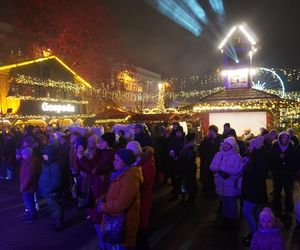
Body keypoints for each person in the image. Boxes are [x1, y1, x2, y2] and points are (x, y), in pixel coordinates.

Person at [97, 149, 143, 249]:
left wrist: (103, 206)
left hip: (123, 225)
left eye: (117, 160)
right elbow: (115, 192)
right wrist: (103, 198)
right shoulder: (121, 174)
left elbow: (122, 203)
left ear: (125, 162)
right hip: (117, 221)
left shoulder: (130, 178)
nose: (114, 162)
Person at [126, 141, 156, 250]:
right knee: (138, 232)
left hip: (143, 199)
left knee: (141, 231)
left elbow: (145, 184)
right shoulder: (141, 162)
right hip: (140, 198)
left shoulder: (147, 164)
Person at [241, 136, 271, 246]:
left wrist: (245, 171)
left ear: (256, 147)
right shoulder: (257, 156)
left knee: (247, 211)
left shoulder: (259, 159)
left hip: (253, 190)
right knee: (255, 212)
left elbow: (256, 176)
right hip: (254, 189)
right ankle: (258, 233)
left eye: (251, 145)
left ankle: (256, 235)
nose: (248, 147)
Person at [210, 137, 242, 227]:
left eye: (229, 144)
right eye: (225, 143)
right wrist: (219, 168)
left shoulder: (236, 156)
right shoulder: (218, 154)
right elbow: (212, 167)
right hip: (220, 182)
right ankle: (226, 218)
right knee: (223, 201)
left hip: (231, 183)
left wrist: (222, 167)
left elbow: (236, 170)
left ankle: (232, 219)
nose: (226, 146)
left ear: (232, 146)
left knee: (231, 201)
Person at [39, 145, 63, 232]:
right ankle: (55, 222)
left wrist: (48, 190)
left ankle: (58, 224)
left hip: (51, 192)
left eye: (45, 154)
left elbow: (56, 182)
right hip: (48, 192)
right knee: (53, 208)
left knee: (56, 209)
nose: (43, 156)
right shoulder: (47, 164)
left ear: (50, 154)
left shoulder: (55, 166)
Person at [271, 131, 296, 215]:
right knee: (277, 191)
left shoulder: (291, 146)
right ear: (280, 138)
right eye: (283, 137)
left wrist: (286, 157)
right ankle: (277, 207)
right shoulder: (275, 145)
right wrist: (278, 156)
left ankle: (289, 208)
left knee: (289, 192)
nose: (284, 139)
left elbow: (294, 159)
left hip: (288, 173)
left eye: (286, 137)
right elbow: (272, 157)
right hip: (277, 172)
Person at [19, 147, 40, 223]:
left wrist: (23, 187)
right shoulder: (28, 161)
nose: (22, 155)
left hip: (28, 187)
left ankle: (32, 216)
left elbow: (29, 177)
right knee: (29, 201)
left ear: (27, 154)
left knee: (29, 201)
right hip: (27, 186)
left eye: (23, 153)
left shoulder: (30, 163)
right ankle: (30, 214)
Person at [198, 125, 222, 193]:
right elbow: (201, 149)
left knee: (214, 175)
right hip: (208, 160)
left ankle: (213, 189)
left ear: (212, 131)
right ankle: (209, 188)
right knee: (208, 175)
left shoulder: (219, 138)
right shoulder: (208, 139)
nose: (208, 132)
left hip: (216, 160)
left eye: (209, 130)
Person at [179, 133, 198, 207]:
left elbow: (186, 160)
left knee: (187, 184)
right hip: (190, 169)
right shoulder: (190, 148)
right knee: (189, 184)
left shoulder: (189, 148)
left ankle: (189, 200)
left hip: (187, 170)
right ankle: (188, 199)